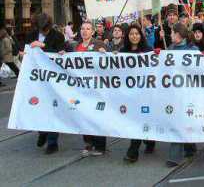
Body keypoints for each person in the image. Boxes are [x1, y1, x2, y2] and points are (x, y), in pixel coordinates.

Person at [63, 21, 108, 157]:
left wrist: (104, 54)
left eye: (88, 29)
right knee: (83, 115)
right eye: (82, 29)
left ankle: (100, 145)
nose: (85, 31)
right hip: (81, 88)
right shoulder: (76, 46)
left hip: (96, 88)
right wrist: (63, 55)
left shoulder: (99, 44)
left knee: (97, 116)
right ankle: (88, 143)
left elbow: (109, 63)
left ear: (93, 31)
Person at [23, 13, 65, 154]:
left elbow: (59, 54)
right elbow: (25, 52)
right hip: (36, 79)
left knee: (54, 108)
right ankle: (42, 132)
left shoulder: (58, 36)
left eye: (45, 29)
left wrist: (42, 45)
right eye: (41, 29)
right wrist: (25, 53)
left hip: (53, 79)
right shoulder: (31, 35)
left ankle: (52, 142)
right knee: (39, 107)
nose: (43, 31)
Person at [119, 24, 157, 162]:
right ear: (128, 37)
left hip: (145, 92)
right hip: (129, 93)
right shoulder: (123, 51)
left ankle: (133, 151)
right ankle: (149, 140)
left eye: (136, 33)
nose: (134, 36)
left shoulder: (147, 50)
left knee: (141, 119)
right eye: (131, 34)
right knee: (136, 120)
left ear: (141, 36)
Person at [166, 23, 198, 167]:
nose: (170, 35)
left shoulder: (192, 49)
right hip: (174, 92)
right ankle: (186, 149)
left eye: (172, 33)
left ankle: (178, 153)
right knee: (178, 120)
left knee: (184, 119)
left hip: (188, 92)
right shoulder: (170, 49)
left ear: (179, 34)